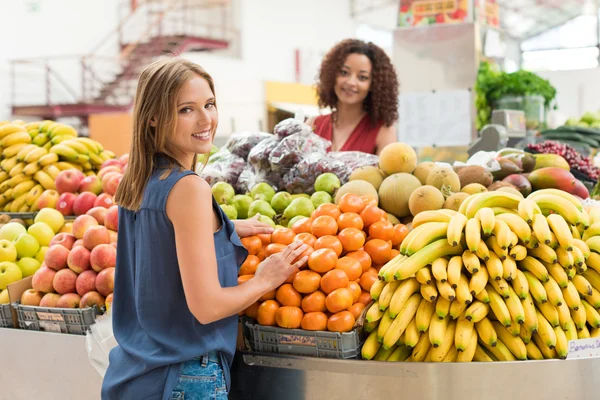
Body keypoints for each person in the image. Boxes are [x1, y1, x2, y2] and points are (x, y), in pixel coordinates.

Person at [101, 57, 309, 400]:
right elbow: (207, 306)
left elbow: (162, 242)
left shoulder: (137, 181)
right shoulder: (189, 188)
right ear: (153, 117)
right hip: (184, 376)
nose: (205, 120)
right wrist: (265, 279)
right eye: (186, 109)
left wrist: (222, 227)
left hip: (134, 376)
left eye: (209, 104)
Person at [307, 39, 399, 155]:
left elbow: (389, 173)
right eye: (344, 72)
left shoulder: (384, 131)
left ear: (374, 85)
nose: (351, 82)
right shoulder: (313, 125)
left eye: (362, 77)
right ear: (332, 74)